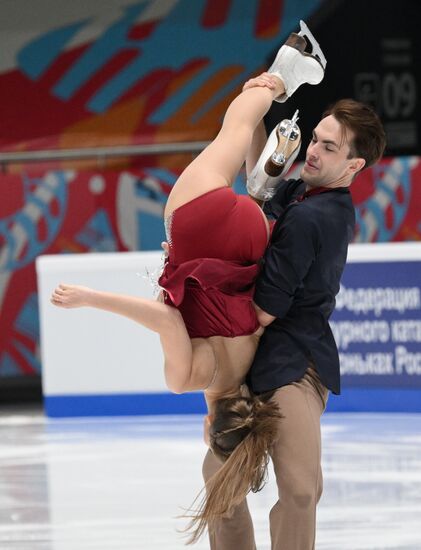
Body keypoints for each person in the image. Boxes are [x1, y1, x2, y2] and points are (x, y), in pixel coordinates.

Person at [50, 20, 328, 545]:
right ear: (210, 429)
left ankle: (270, 150)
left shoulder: (255, 374)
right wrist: (89, 297)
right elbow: (161, 316)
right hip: (198, 229)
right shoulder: (194, 376)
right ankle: (280, 75)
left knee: (252, 176)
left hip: (249, 241)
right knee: (232, 128)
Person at [202, 51, 387, 550]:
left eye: (328, 147)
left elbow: (264, 310)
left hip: (289, 361)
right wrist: (260, 108)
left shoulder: (314, 217)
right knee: (224, 479)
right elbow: (261, 184)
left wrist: (206, 310)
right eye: (316, 139)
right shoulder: (310, 192)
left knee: (299, 489)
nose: (313, 151)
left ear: (354, 165)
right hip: (266, 354)